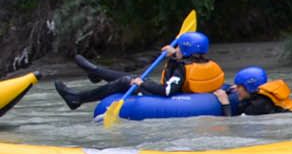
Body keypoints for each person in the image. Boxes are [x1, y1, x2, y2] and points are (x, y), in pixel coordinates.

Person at [56, 31, 227, 110]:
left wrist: (144, 83)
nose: (176, 50)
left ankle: (78, 99)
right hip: (189, 94)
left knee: (127, 81)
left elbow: (168, 90)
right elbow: (182, 71)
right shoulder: (204, 62)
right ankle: (96, 71)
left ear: (186, 50)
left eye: (179, 48)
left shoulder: (182, 68)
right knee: (132, 78)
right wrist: (174, 56)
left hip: (173, 98)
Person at [226, 66, 292, 116]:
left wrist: (225, 104)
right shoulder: (261, 98)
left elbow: (231, 121)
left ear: (249, 87)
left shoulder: (258, 106)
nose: (236, 89)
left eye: (239, 86)